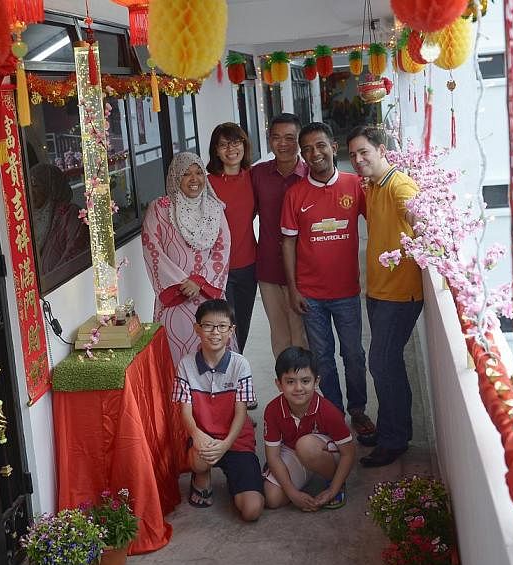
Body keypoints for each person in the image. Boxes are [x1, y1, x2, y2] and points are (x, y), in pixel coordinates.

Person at [280, 121, 377, 445]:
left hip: (347, 292)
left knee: (353, 354)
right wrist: (294, 289)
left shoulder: (354, 185)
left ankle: (358, 410)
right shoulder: (295, 194)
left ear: (333, 147)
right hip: (311, 296)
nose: (314, 153)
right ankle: (335, 416)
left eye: (319, 145)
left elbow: (379, 220)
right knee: (323, 359)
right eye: (306, 149)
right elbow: (289, 243)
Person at [347, 126, 423, 467]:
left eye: (364, 152)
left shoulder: (398, 185)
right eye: (353, 155)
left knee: (382, 363)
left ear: (381, 149)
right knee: (387, 364)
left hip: (400, 293)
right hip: (378, 291)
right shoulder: (373, 187)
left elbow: (416, 216)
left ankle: (394, 440)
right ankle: (394, 429)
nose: (359, 159)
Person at [172, 299, 264, 521]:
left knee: (252, 510)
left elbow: (241, 413)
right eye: (207, 326)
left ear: (231, 331)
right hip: (204, 439)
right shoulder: (186, 364)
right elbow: (185, 411)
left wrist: (225, 445)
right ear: (197, 329)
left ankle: (236, 479)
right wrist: (197, 436)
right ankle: (201, 473)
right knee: (200, 458)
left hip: (235, 439)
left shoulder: (240, 365)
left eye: (222, 327)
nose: (215, 333)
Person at [141, 152, 231, 366]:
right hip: (175, 298)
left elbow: (223, 248)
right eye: (186, 174)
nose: (194, 179)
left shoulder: (214, 208)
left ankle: (214, 400)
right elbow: (152, 249)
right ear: (175, 177)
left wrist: (199, 282)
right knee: (176, 359)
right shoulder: (160, 208)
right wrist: (183, 284)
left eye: (199, 173)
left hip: (208, 296)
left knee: (212, 353)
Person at [262, 346, 356, 511]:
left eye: (305, 381)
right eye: (290, 382)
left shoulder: (328, 410)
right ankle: (304, 474)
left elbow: (348, 453)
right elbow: (273, 456)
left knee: (305, 446)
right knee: (272, 499)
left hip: (322, 452)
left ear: (316, 381)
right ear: (279, 384)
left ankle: (334, 480)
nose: (298, 388)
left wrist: (332, 490)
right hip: (293, 452)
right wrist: (293, 495)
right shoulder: (273, 410)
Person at [251, 113, 308, 360]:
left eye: (289, 138)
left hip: (305, 270)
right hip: (269, 268)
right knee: (280, 335)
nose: (282, 144)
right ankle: (287, 392)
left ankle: (308, 391)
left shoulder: (310, 174)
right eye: (276, 138)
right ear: (269, 140)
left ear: (299, 141)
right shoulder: (257, 175)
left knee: (303, 335)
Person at [206, 123, 257, 355]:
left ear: (244, 146)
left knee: (241, 327)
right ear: (216, 151)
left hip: (248, 265)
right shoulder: (207, 184)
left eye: (236, 142)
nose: (231, 149)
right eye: (224, 144)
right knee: (221, 330)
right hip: (218, 271)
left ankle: (236, 377)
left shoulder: (253, 178)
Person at [28, 163, 90, 275]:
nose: (30, 191)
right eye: (29, 185)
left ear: (50, 186)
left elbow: (74, 259)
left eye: (36, 185)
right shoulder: (29, 219)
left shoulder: (70, 214)